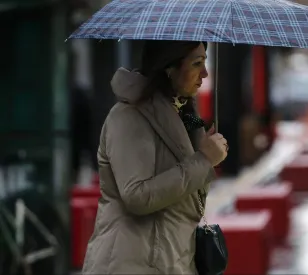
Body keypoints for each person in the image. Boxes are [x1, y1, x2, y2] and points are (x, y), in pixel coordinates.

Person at [82, 40, 228, 274]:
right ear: (169, 68)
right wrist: (203, 160)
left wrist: (205, 150)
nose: (205, 73)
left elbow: (188, 198)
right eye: (197, 64)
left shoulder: (184, 116)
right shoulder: (129, 117)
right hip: (132, 264)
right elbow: (137, 195)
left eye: (205, 63)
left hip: (171, 260)